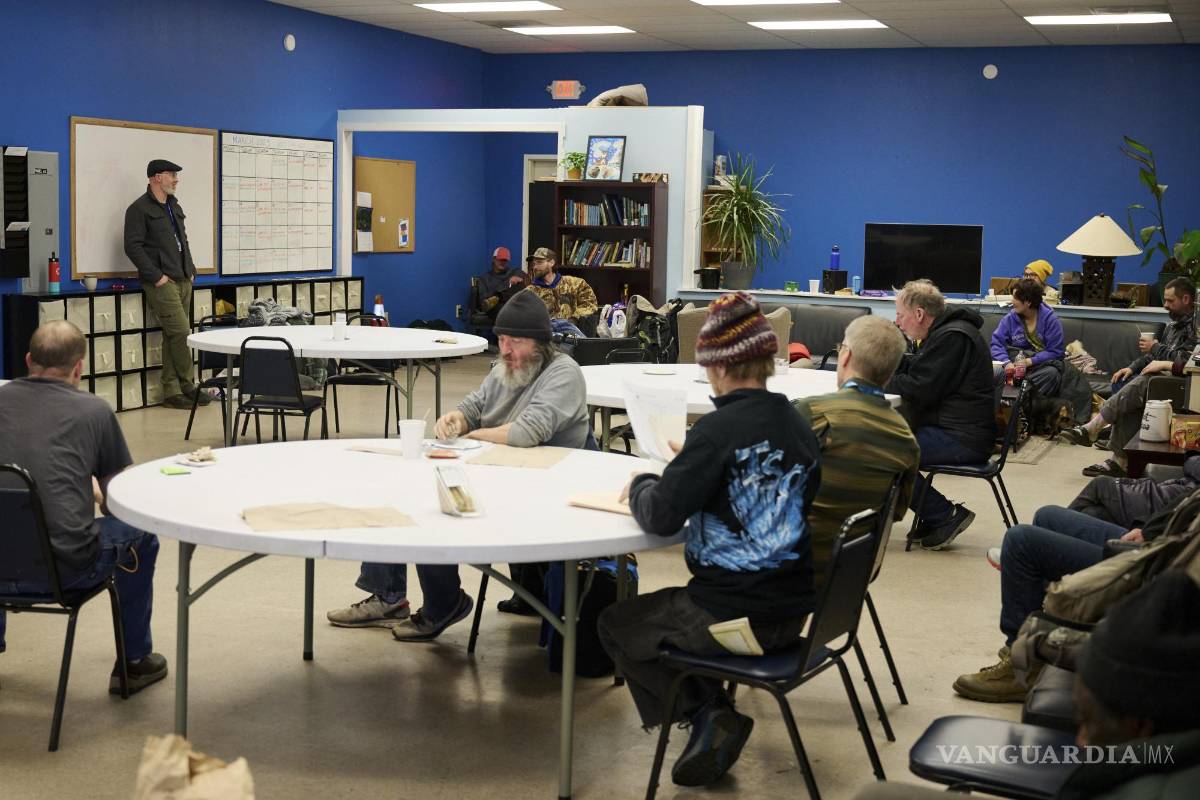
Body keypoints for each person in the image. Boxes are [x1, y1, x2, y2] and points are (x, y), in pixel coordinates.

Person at [598, 292, 821, 788]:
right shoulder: (798, 423)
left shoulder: (716, 431)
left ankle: (708, 713)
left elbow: (659, 517)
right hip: (794, 614)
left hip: (731, 617)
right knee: (662, 615)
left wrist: (643, 481)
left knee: (617, 625)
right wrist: (699, 466)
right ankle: (711, 712)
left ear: (718, 367)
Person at [327, 290, 590, 640]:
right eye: (502, 340)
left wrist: (473, 435)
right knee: (401, 487)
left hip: (544, 490)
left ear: (540, 344)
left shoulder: (563, 373)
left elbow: (527, 432)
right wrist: (457, 420)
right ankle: (388, 596)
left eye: (515, 342)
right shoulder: (505, 368)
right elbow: (474, 406)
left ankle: (443, 603)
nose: (506, 349)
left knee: (429, 506)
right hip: (500, 474)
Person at [0, 321, 167, 694]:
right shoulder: (94, 411)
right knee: (141, 534)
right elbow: (120, 506)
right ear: (78, 368)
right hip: (63, 571)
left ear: (28, 360)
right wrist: (96, 495)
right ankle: (134, 661)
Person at [952, 493, 1189, 702]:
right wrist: (1147, 529)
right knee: (1047, 516)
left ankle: (1023, 666)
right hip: (1158, 541)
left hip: (1155, 565)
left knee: (1020, 540)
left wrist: (1152, 539)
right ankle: (1036, 637)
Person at [792, 315, 919, 580]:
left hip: (789, 568)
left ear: (845, 355)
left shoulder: (813, 412)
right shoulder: (906, 440)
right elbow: (894, 514)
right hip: (852, 576)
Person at [886, 279, 996, 550]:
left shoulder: (952, 337)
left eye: (900, 315)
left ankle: (944, 516)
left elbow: (920, 389)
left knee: (884, 453)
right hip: (956, 428)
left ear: (919, 314)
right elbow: (922, 373)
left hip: (963, 437)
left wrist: (878, 378)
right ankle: (934, 516)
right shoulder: (947, 333)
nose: (898, 322)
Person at [1060, 276, 1197, 477]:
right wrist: (1131, 368)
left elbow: (1187, 361)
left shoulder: (1195, 326)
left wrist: (1156, 349)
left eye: (1170, 301)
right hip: (1163, 381)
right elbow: (1152, 357)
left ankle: (1094, 428)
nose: (1165, 305)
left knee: (1144, 383)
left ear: (1185, 299)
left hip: (1187, 386)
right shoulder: (1172, 325)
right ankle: (1119, 461)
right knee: (1131, 389)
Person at [124, 158, 208, 410]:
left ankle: (172, 391)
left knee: (173, 335)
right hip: (162, 283)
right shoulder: (138, 209)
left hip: (183, 278)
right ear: (156, 177)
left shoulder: (173, 205)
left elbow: (184, 240)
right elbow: (132, 247)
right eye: (171, 174)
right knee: (181, 332)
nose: (176, 179)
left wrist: (191, 270)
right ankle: (188, 385)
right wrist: (156, 277)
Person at [991, 278, 1066, 397]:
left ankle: (1024, 399)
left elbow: (1056, 351)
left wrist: (1029, 361)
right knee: (996, 371)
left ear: (1028, 302)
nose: (1012, 301)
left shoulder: (1051, 320)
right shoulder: (1009, 319)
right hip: (1014, 365)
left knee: (1052, 373)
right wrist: (1007, 363)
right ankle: (1021, 393)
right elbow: (997, 344)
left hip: (1040, 365)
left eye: (1015, 298)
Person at [525, 247, 599, 336]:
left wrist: (574, 318)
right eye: (534, 264)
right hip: (545, 334)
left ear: (551, 263)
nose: (535, 267)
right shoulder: (529, 292)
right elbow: (525, 316)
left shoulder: (576, 283)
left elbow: (590, 304)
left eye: (539, 262)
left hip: (571, 333)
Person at [472, 245, 527, 322]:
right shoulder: (484, 279)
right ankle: (500, 297)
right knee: (499, 306)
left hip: (513, 303)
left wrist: (518, 279)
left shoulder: (515, 272)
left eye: (505, 260)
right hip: (496, 306)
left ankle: (501, 296)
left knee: (519, 287)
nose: (503, 262)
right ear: (494, 259)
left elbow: (525, 278)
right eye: (500, 259)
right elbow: (483, 300)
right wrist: (507, 284)